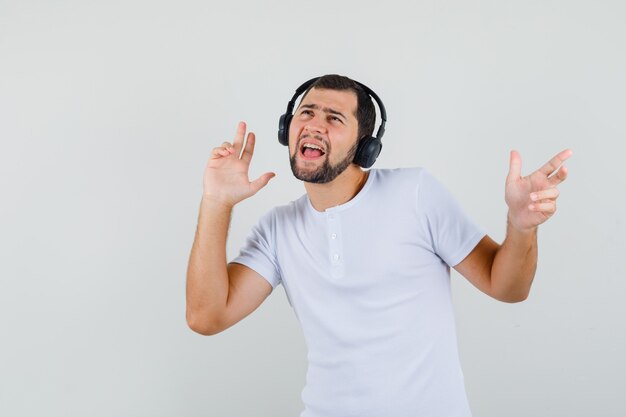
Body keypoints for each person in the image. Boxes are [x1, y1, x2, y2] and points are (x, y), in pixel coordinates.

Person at [186, 74, 571, 417]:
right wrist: (216, 202)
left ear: (365, 147)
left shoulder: (415, 194)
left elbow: (508, 287)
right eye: (306, 113)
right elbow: (206, 317)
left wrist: (522, 227)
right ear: (286, 127)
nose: (314, 125)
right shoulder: (278, 229)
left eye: (334, 119)